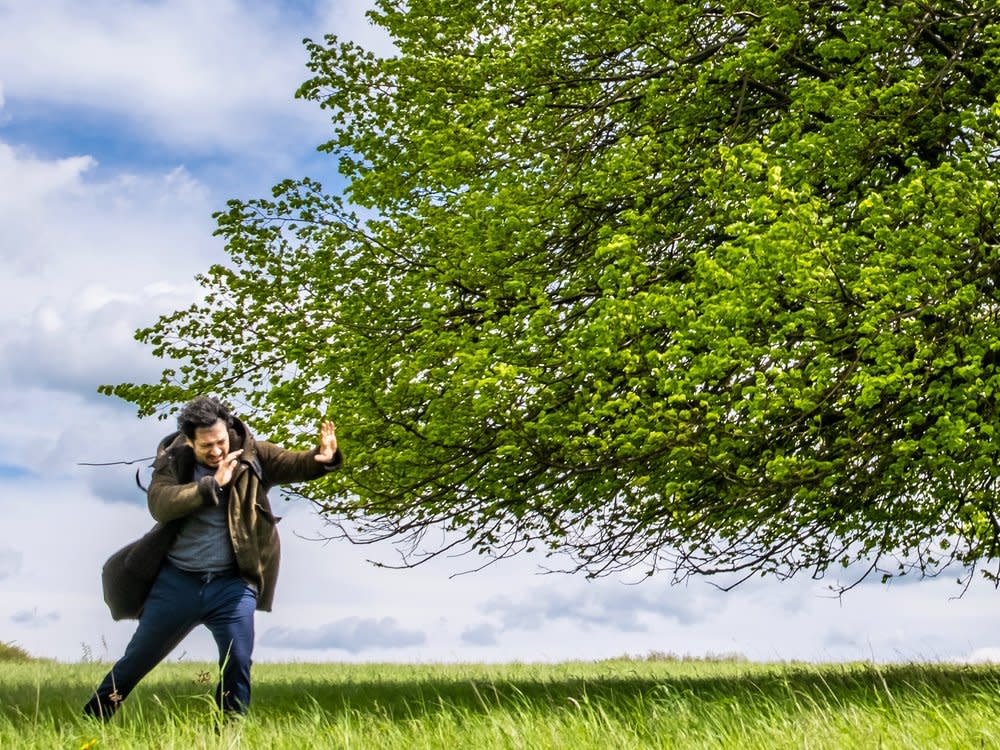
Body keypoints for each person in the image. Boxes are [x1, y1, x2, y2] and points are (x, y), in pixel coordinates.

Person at [83, 396, 342, 719]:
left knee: (238, 660)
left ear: (228, 430)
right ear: (190, 442)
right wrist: (211, 486)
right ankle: (92, 720)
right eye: (207, 445)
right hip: (177, 582)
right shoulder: (173, 462)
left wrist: (324, 459)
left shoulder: (253, 455)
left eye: (220, 441)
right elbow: (160, 503)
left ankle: (230, 732)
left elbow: (297, 463)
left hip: (232, 584)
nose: (217, 450)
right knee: (138, 659)